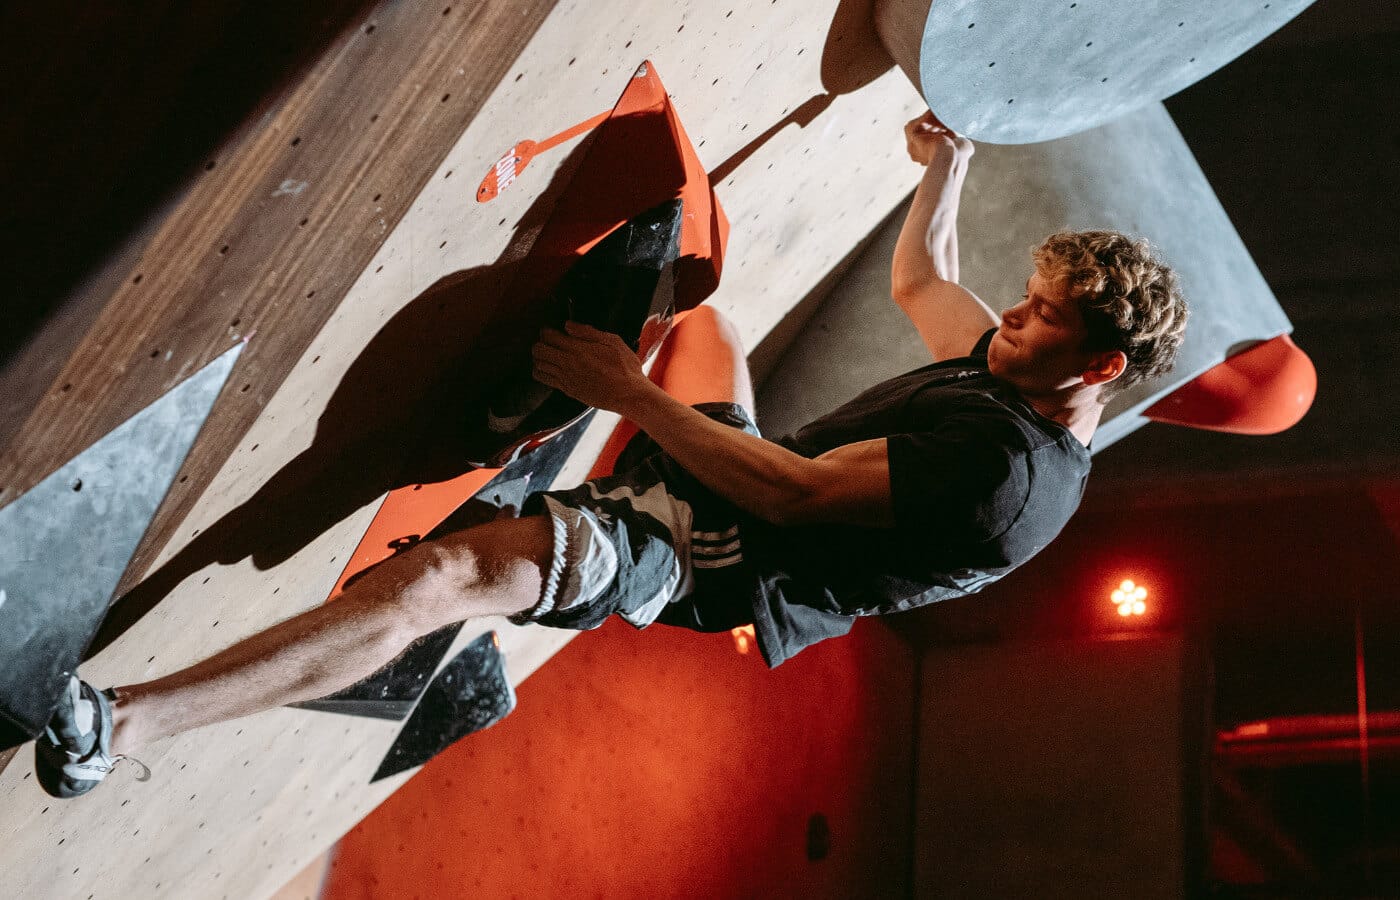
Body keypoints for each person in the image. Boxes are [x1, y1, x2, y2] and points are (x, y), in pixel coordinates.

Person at [35, 111, 1189, 799]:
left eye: (1043, 320)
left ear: (1097, 371)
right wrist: (951, 166)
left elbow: (784, 489)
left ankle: (119, 729)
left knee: (444, 582)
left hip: (716, 555)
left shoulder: (1005, 479)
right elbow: (926, 284)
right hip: (751, 480)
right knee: (701, 319)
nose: (1015, 321)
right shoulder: (1016, 374)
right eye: (1031, 300)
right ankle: (523, 426)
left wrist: (621, 392)